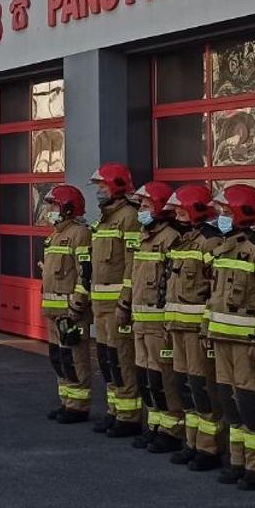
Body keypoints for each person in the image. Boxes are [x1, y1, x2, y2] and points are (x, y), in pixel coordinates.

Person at [205, 183, 255, 490]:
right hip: (222, 337)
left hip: (248, 342)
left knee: (252, 404)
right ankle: (238, 460)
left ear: (241, 212)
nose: (220, 216)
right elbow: (213, 294)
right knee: (230, 402)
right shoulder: (223, 247)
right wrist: (207, 328)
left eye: (225, 211)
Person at [163, 183, 225, 470]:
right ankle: (192, 442)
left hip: (197, 330)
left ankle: (209, 448)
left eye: (179, 207)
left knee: (202, 388)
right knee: (185, 386)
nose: (175, 212)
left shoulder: (210, 243)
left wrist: (208, 327)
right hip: (177, 327)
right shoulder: (183, 241)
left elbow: (216, 290)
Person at [124, 181, 186, 454]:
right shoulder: (143, 237)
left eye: (146, 206)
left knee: (164, 378)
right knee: (146, 376)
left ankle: (171, 430)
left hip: (159, 322)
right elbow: (135, 277)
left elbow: (171, 284)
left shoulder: (170, 237)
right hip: (141, 319)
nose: (141, 211)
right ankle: (155, 425)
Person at [87, 162, 145, 437]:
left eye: (102, 186)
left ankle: (129, 416)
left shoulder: (129, 217)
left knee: (122, 358)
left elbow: (132, 263)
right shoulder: (104, 219)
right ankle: (114, 410)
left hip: (116, 305)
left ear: (116, 187)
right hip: (100, 303)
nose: (98, 192)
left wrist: (125, 300)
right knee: (107, 358)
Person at [40, 183, 97, 424]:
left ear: (67, 208)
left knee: (75, 358)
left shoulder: (79, 233)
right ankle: (66, 401)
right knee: (58, 357)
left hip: (70, 311)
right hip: (54, 310)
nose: (50, 209)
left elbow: (85, 272)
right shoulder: (55, 235)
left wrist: (77, 304)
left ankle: (78, 406)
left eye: (54, 205)